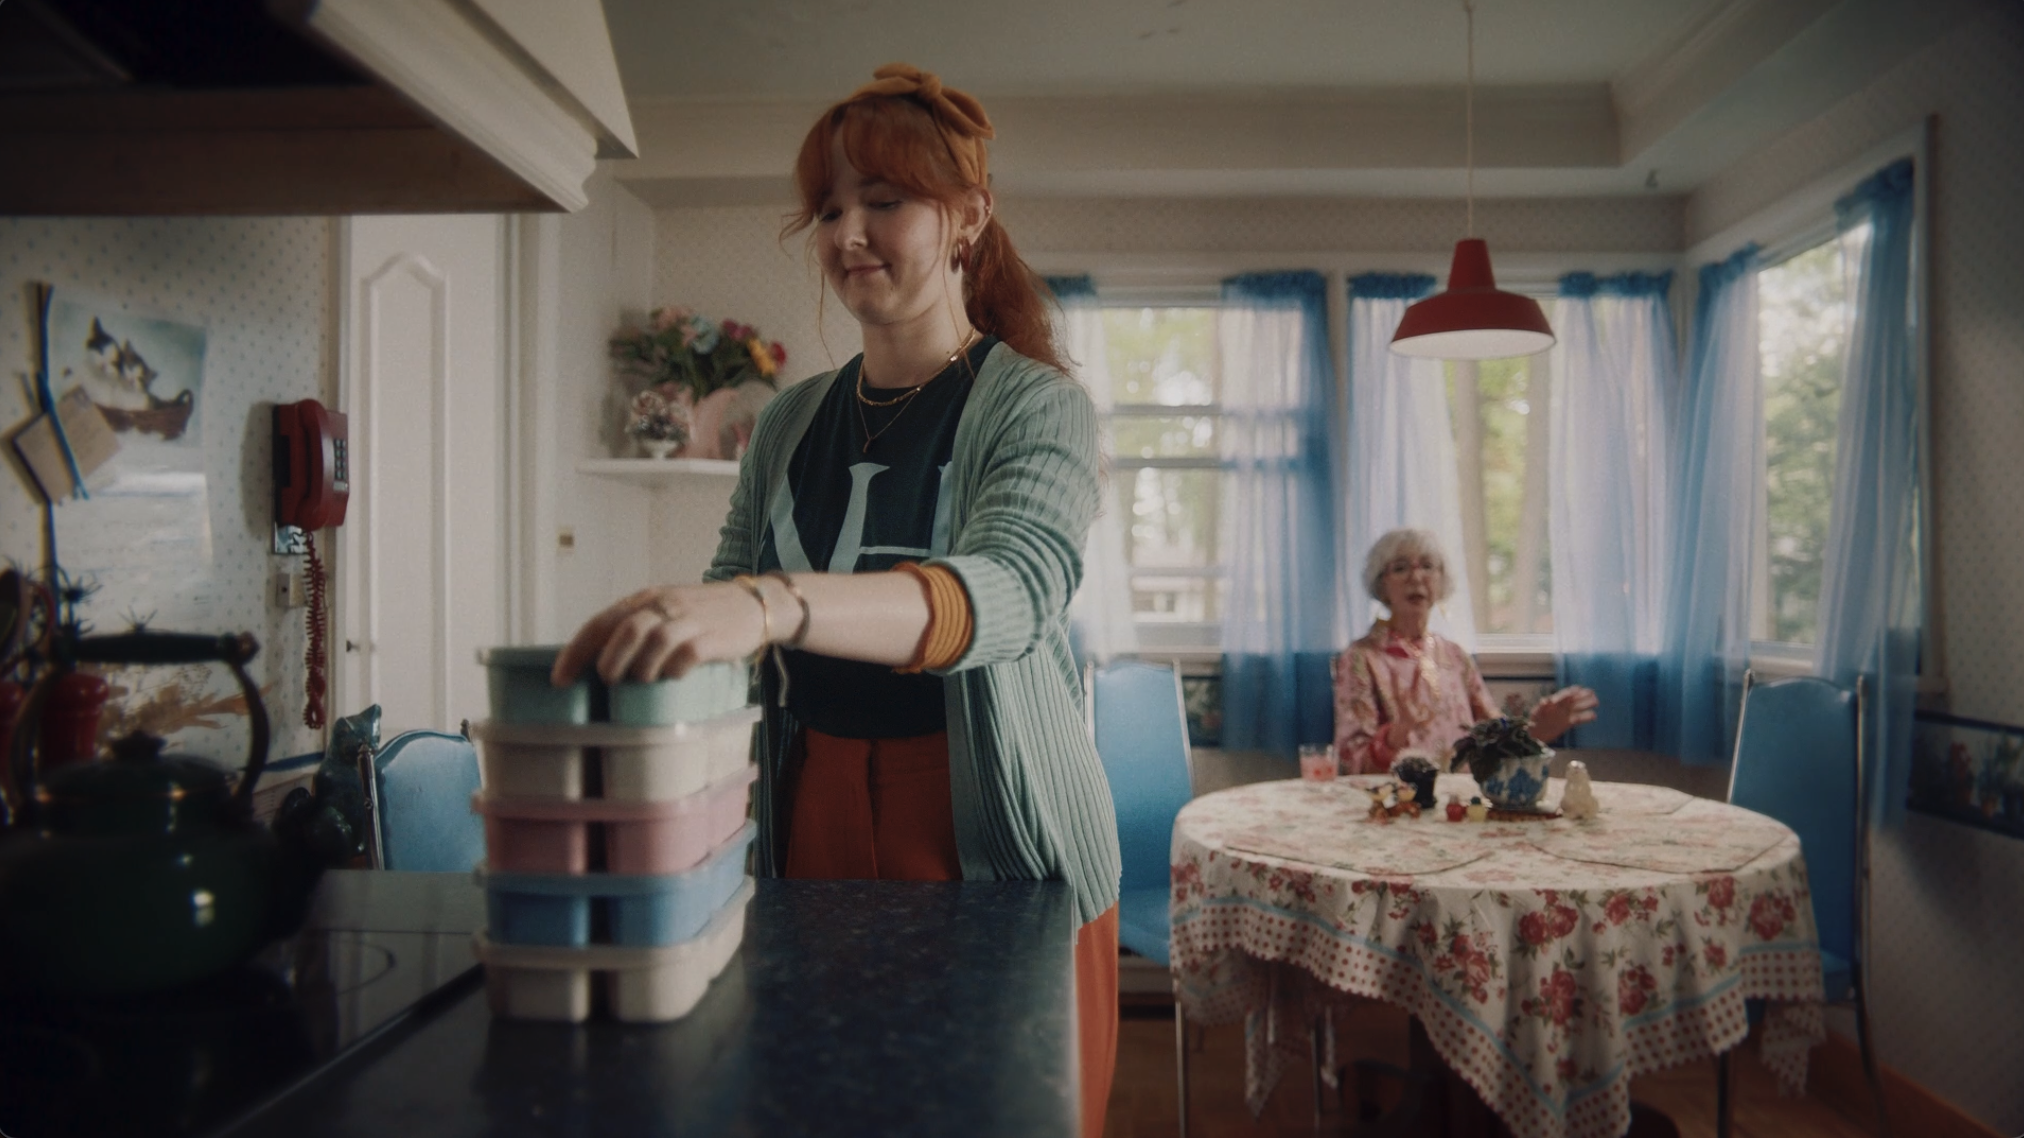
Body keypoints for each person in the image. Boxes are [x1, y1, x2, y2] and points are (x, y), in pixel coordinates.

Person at [551, 64, 1121, 1136]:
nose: (848, 233)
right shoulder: (788, 422)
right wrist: (652, 660)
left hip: (995, 821)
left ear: (968, 217)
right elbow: (729, 607)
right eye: (827, 208)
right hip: (811, 806)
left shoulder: (1037, 406)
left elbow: (1012, 590)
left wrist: (773, 604)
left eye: (884, 200)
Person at [1333, 527, 1598, 774]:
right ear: (1381, 585)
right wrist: (1394, 736)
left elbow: (1495, 737)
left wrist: (1537, 729)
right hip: (1399, 800)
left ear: (1441, 582)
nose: (1416, 577)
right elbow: (1349, 761)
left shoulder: (1454, 656)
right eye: (1401, 568)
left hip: (1465, 798)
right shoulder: (1361, 658)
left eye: (1427, 566)